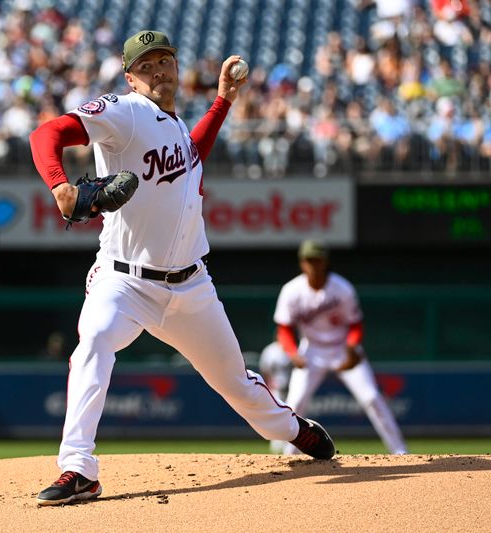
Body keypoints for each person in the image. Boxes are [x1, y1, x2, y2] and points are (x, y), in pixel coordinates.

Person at [29, 30, 336, 507]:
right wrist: (60, 186)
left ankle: (293, 428)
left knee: (235, 383)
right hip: (124, 280)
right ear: (130, 77)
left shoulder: (172, 123)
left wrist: (223, 102)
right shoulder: (124, 111)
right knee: (94, 344)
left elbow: (190, 157)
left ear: (175, 67)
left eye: (164, 61)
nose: (157, 70)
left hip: (192, 286)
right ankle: (78, 468)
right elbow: (45, 133)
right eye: (146, 65)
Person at [273, 239, 408, 456]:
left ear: (326, 262)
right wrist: (292, 352)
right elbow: (284, 328)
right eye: (309, 260)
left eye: (318, 259)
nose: (314, 264)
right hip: (312, 350)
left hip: (341, 347)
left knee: (372, 398)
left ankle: (400, 451)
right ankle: (290, 455)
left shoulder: (342, 288)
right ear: (302, 263)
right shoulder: (292, 290)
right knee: (295, 402)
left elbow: (355, 324)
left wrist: (353, 347)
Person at [258, 341, 293, 454]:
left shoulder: (293, 348)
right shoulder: (270, 350)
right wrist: (268, 384)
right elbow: (264, 369)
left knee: (294, 414)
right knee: (275, 415)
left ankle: (291, 446)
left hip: (292, 387)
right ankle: (276, 445)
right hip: (276, 387)